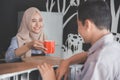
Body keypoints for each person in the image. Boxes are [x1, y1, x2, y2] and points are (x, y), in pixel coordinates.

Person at [38, 0, 120, 80]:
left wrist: (50, 78)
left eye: (78, 25)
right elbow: (86, 55)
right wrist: (67, 62)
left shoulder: (97, 62)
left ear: (87, 25)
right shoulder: (113, 46)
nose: (78, 31)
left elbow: (95, 59)